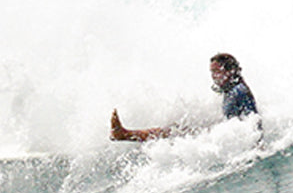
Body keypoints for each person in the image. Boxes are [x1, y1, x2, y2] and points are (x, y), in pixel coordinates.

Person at [110, 52, 259, 142]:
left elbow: (253, 122)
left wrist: (256, 144)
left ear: (230, 71)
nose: (213, 77)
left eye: (216, 72)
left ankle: (125, 134)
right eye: (211, 72)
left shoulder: (239, 92)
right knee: (176, 130)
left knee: (175, 132)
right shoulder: (230, 90)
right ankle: (125, 134)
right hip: (228, 134)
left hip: (235, 139)